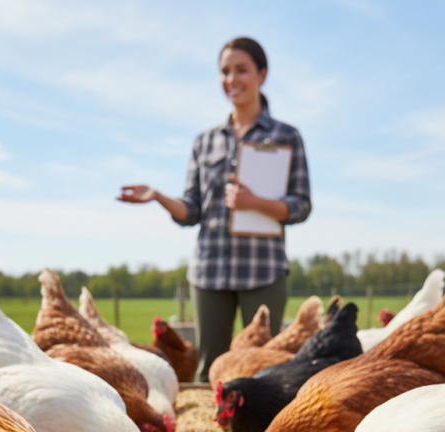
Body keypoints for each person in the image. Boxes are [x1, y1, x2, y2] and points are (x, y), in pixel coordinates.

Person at [118, 37, 311, 381]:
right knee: (210, 369)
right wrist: (159, 197)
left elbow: (301, 205)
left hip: (263, 269)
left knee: (265, 370)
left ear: (262, 74)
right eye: (225, 71)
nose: (231, 79)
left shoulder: (287, 136)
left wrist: (255, 203)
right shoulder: (205, 141)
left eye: (241, 70)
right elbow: (192, 210)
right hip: (210, 271)